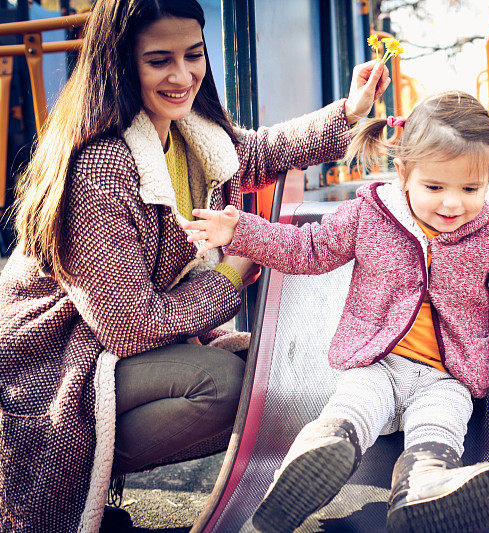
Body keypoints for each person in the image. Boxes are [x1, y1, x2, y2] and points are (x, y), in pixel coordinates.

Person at [0, 0, 388, 531]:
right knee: (225, 385)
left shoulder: (187, 132)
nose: (182, 76)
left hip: (109, 347)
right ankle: (80, 480)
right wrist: (228, 276)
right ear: (120, 62)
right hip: (54, 362)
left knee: (275, 370)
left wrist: (349, 110)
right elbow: (129, 326)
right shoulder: (101, 164)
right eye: (159, 60)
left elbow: (258, 152)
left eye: (194, 55)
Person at [185, 90, 489, 533]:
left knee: (440, 429)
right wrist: (241, 231)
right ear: (403, 174)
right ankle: (305, 469)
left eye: (470, 188)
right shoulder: (370, 215)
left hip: (449, 377)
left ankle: (421, 493)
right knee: (351, 411)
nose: (453, 203)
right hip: (375, 363)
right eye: (434, 187)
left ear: (488, 180)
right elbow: (308, 249)